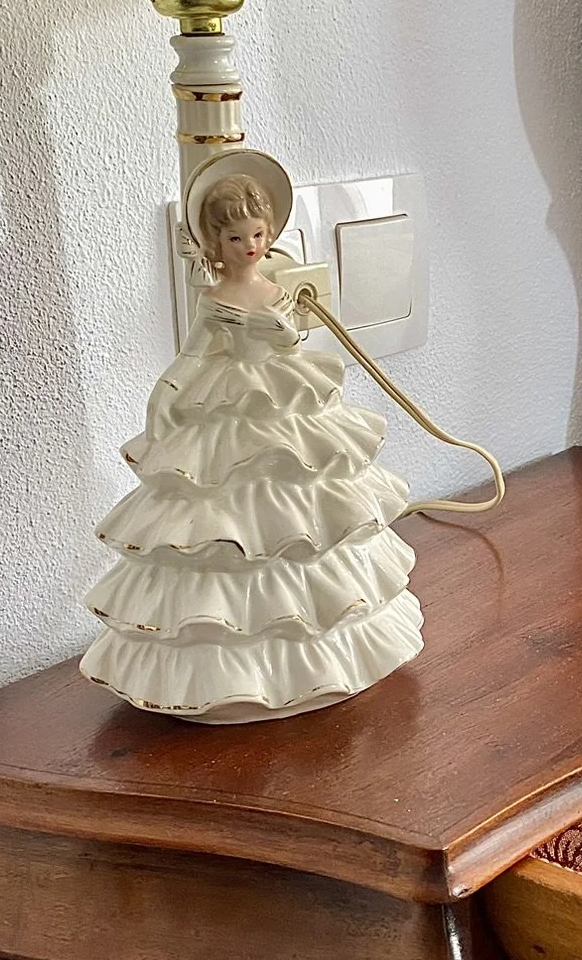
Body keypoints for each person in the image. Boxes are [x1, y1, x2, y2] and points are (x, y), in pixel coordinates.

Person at [79, 170, 423, 721]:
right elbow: (194, 354)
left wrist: (274, 321)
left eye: (258, 234)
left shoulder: (272, 288)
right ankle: (224, 675)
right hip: (231, 404)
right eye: (237, 238)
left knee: (301, 507)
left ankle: (322, 655)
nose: (250, 246)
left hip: (283, 394)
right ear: (217, 243)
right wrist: (166, 391)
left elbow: (290, 337)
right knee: (226, 509)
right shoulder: (215, 299)